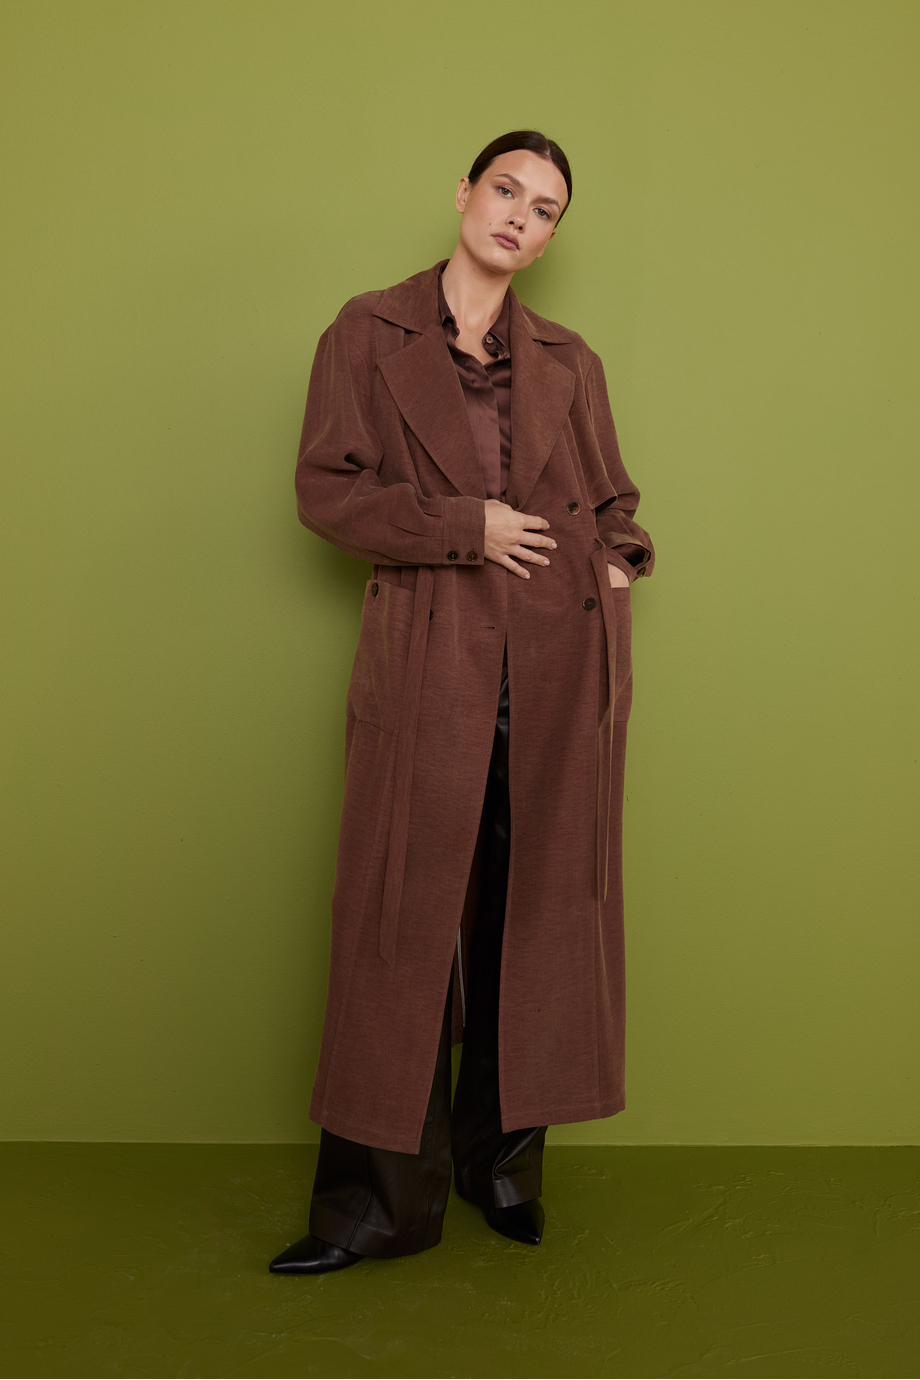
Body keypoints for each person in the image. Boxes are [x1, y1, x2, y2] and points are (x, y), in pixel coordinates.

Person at [270, 131, 655, 1275]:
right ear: (462, 194)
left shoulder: (569, 361)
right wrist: (462, 527)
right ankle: (373, 1209)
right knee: (400, 919)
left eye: (543, 210)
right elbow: (324, 491)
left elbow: (616, 504)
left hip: (555, 669)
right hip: (431, 657)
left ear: (547, 238)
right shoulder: (365, 332)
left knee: (531, 919)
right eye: (505, 190)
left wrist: (617, 565)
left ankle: (502, 1171)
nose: (518, 217)